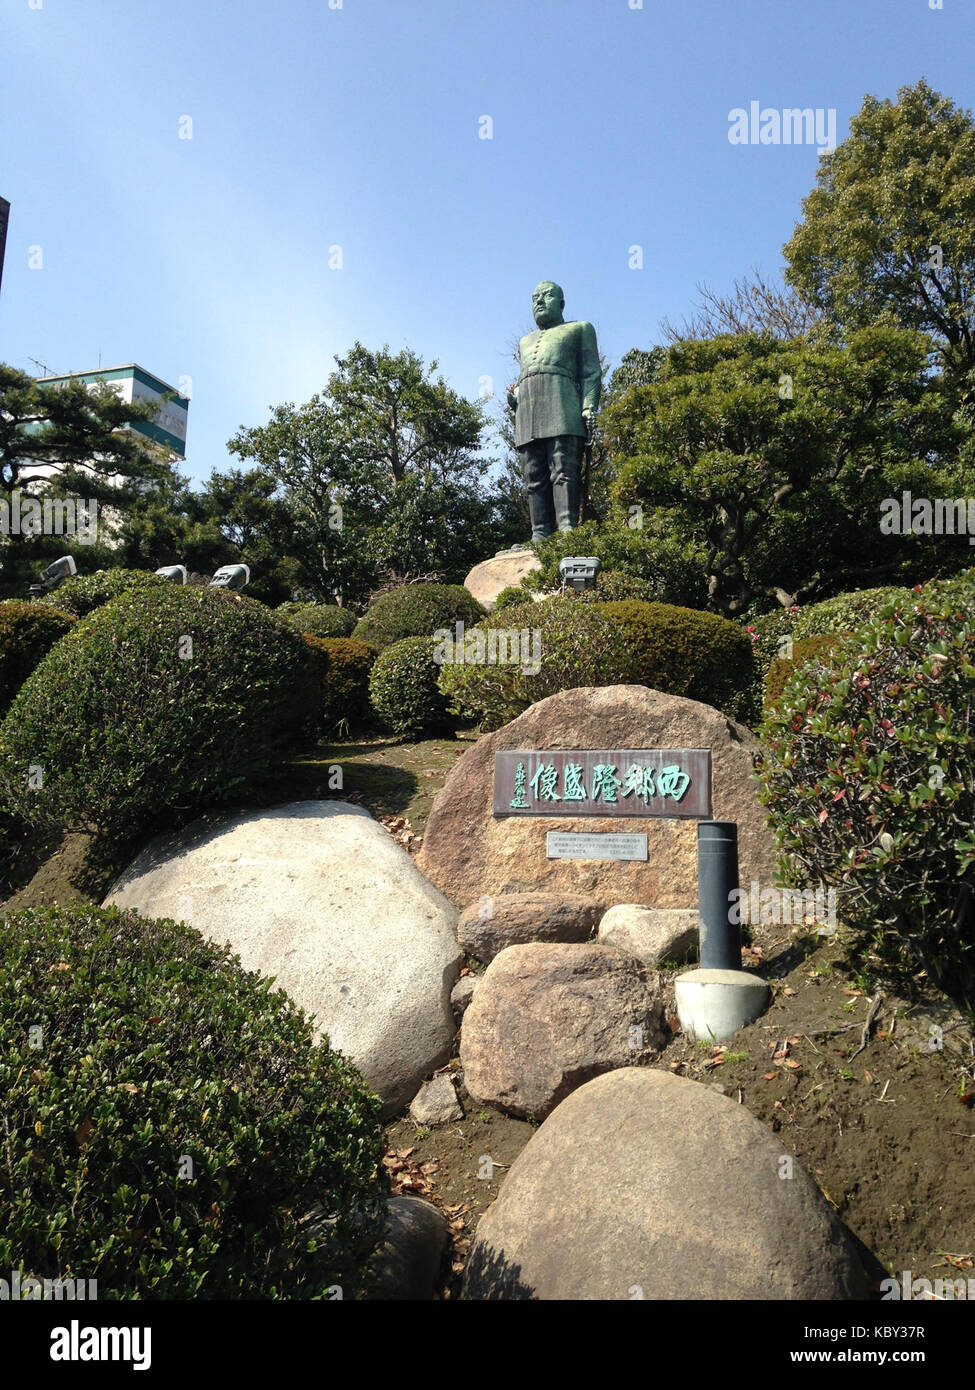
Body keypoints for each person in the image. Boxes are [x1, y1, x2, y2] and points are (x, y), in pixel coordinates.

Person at [507, 281, 601, 538]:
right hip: (528, 412)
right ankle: (539, 534)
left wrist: (589, 406)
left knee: (563, 468)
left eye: (546, 296)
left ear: (561, 303)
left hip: (563, 404)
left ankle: (568, 530)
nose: (538, 301)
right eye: (534, 298)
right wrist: (515, 396)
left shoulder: (579, 329)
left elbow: (592, 372)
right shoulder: (525, 341)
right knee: (533, 474)